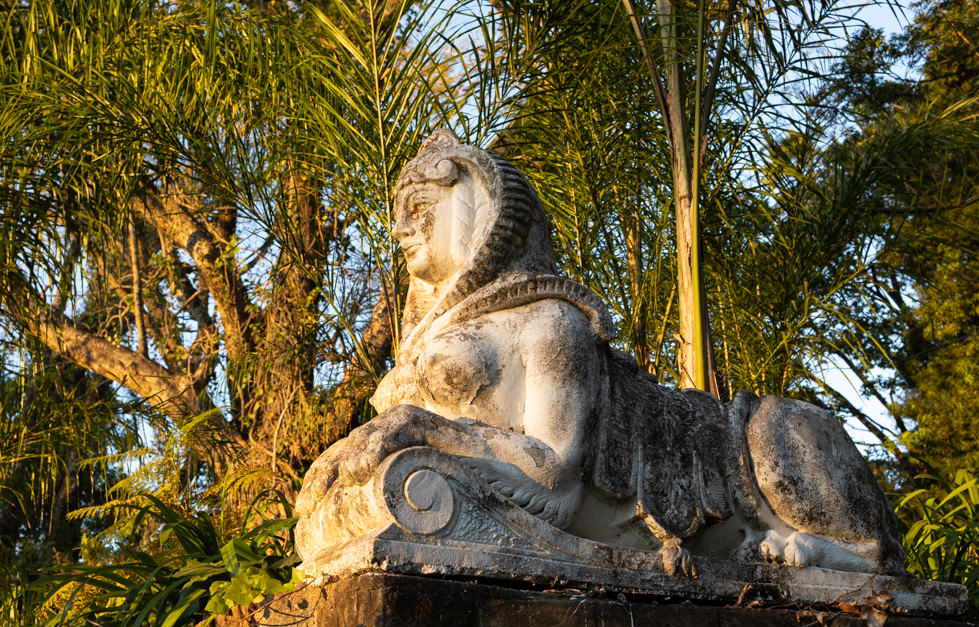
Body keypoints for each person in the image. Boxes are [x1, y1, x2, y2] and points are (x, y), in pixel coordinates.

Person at [296, 130, 905, 574]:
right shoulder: (429, 349)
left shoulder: (551, 324)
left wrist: (418, 427)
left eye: (418, 212)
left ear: (475, 210)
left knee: (776, 433)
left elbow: (553, 475)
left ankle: (852, 556)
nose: (400, 231)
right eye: (398, 217)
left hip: (725, 447)